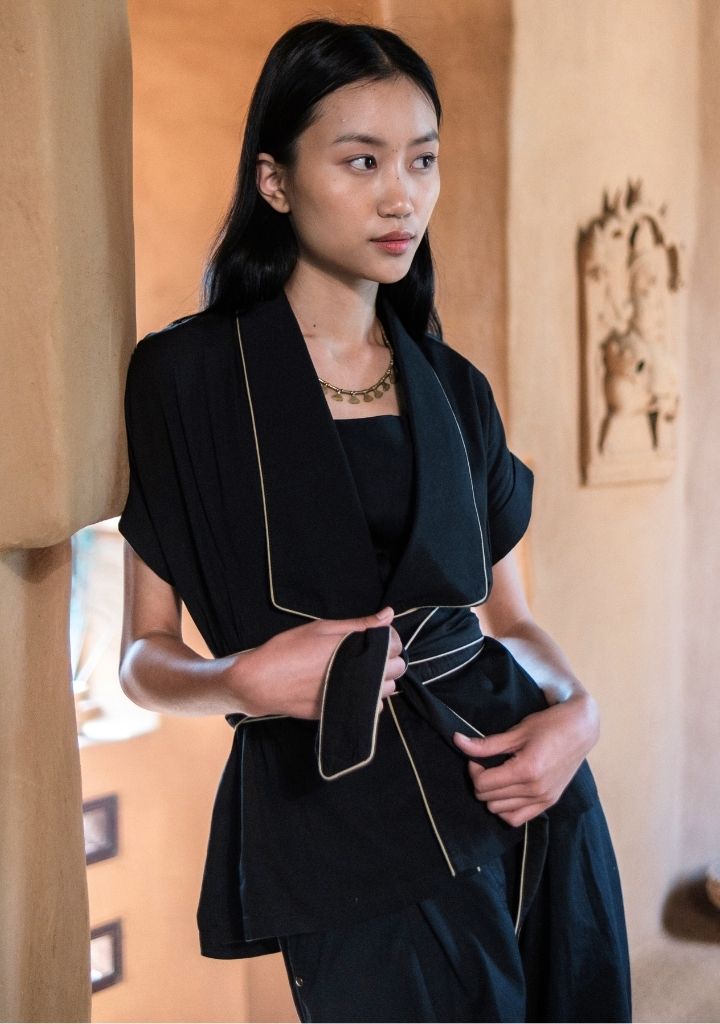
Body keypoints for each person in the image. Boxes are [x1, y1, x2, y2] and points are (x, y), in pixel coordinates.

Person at [118, 17, 631, 1024]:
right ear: (275, 180)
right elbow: (141, 658)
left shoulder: (455, 386)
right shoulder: (185, 380)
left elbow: (511, 620)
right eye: (362, 161)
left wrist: (579, 714)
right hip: (342, 822)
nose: (403, 197)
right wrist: (237, 680)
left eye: (422, 161)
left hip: (526, 784)